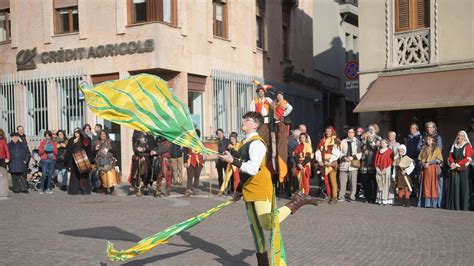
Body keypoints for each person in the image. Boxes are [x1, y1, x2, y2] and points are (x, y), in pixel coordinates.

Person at [218, 111, 318, 265]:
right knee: (255, 230)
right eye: (244, 118)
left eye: (248, 119)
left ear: (256, 125)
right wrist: (238, 190)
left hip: (260, 187)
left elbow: (252, 168)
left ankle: (296, 202)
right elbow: (244, 172)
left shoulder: (257, 143)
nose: (243, 121)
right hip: (248, 188)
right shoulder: (244, 142)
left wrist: (232, 161)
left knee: (268, 223)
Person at [418, 121, 444, 207]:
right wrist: (424, 161)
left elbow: (438, 152)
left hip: (434, 166)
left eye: (430, 127)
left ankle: (436, 203)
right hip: (425, 166)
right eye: (427, 127)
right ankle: (425, 203)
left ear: (434, 128)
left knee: (436, 185)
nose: (429, 129)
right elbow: (419, 147)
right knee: (425, 185)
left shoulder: (438, 138)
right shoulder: (423, 137)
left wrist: (430, 162)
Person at [249, 82, 273, 169]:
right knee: (260, 140)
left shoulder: (268, 100)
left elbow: (275, 105)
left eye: (262, 91)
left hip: (267, 122)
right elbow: (251, 113)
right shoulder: (254, 101)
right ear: (257, 93)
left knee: (267, 142)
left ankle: (267, 162)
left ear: (264, 92)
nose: (260, 93)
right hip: (259, 122)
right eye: (259, 91)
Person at [273, 91, 293, 194]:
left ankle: (283, 185)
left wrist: (283, 115)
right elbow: (272, 109)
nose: (278, 97)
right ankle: (280, 185)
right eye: (277, 95)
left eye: (280, 95)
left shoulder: (284, 103)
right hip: (277, 122)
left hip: (281, 122)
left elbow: (290, 108)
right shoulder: (275, 103)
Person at [446, 131, 472, 211]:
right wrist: (453, 163)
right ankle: (454, 205)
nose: (460, 137)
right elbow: (450, 156)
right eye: (459, 135)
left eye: (462, 136)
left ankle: (463, 206)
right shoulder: (454, 145)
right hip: (454, 168)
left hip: (463, 169)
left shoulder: (467, 146)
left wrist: (457, 165)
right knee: (455, 186)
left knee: (463, 187)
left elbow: (467, 158)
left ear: (464, 137)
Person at [315, 126, 341, 204]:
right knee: (325, 181)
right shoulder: (322, 140)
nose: (327, 132)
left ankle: (334, 197)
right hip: (323, 163)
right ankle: (329, 195)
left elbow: (337, 153)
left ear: (332, 132)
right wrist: (319, 160)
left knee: (333, 180)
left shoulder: (335, 141)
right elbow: (318, 151)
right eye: (326, 131)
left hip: (331, 163)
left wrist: (329, 161)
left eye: (329, 131)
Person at [65, 128, 93, 195]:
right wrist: (73, 143)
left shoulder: (84, 139)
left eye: (78, 132)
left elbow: (87, 146)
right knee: (74, 175)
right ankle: (74, 190)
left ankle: (85, 190)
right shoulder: (71, 140)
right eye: (75, 132)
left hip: (82, 158)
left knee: (84, 175)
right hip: (73, 159)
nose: (76, 133)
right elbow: (68, 150)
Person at [339, 128, 362, 202]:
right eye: (349, 132)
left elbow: (360, 153)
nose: (350, 134)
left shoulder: (357, 142)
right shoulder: (343, 141)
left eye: (351, 132)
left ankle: (352, 197)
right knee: (342, 182)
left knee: (353, 183)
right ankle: (341, 196)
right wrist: (344, 157)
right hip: (344, 164)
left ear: (354, 133)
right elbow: (339, 152)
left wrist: (353, 157)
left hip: (353, 165)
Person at [360, 125, 381, 203]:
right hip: (365, 162)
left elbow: (375, 147)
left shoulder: (378, 138)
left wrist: (370, 138)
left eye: (371, 129)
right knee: (365, 180)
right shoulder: (364, 137)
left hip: (372, 161)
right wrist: (364, 139)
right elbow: (361, 147)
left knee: (373, 181)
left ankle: (373, 197)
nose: (369, 130)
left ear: (375, 130)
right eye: (369, 129)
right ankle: (367, 197)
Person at [131, 131, 156, 196]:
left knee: (147, 173)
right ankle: (137, 188)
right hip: (138, 157)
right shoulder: (136, 135)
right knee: (137, 173)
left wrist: (144, 149)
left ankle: (145, 187)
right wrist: (140, 155)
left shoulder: (150, 136)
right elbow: (134, 147)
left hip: (147, 157)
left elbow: (153, 146)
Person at [94, 130, 118, 195]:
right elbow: (93, 152)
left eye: (104, 134)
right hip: (100, 160)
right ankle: (104, 189)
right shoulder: (97, 142)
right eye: (102, 134)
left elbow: (115, 150)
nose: (103, 135)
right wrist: (95, 149)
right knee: (102, 175)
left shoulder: (111, 141)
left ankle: (112, 189)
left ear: (107, 135)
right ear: (100, 135)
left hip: (109, 160)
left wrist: (108, 150)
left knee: (110, 174)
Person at [184, 129, 203, 197]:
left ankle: (195, 188)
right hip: (190, 160)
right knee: (190, 176)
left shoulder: (201, 143)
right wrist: (185, 162)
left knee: (197, 175)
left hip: (199, 161)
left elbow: (204, 152)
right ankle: (189, 190)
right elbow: (185, 152)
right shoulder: (188, 143)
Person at [374, 139, 394, 205]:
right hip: (379, 170)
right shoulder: (378, 151)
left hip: (387, 170)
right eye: (381, 143)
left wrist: (384, 170)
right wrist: (378, 169)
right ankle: (379, 199)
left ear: (387, 144)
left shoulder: (390, 151)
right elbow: (376, 161)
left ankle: (386, 199)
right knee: (379, 184)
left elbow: (390, 162)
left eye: (384, 143)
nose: (382, 144)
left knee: (386, 184)